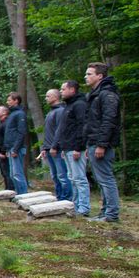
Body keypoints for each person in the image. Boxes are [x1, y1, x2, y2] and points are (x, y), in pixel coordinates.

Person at [84, 63, 122, 222]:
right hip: (94, 142)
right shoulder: (97, 94)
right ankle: (105, 212)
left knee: (106, 179)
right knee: (101, 179)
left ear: (100, 76)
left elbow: (109, 121)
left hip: (101, 144)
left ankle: (111, 214)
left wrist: (101, 144)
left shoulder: (107, 94)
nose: (86, 77)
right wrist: (90, 143)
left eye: (89, 74)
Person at [56, 80, 89, 216]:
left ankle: (84, 208)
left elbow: (82, 126)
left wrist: (78, 147)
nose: (61, 91)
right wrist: (63, 148)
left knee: (79, 178)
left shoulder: (79, 105)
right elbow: (66, 129)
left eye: (63, 89)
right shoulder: (68, 106)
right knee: (72, 178)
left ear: (72, 90)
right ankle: (75, 206)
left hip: (76, 148)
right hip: (67, 147)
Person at [39, 89, 71, 202]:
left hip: (56, 148)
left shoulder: (60, 111)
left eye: (48, 96)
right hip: (49, 148)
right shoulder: (51, 112)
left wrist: (55, 146)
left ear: (55, 97)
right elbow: (48, 132)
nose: (46, 98)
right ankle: (59, 197)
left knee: (62, 175)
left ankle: (67, 199)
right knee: (55, 176)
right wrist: (44, 147)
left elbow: (60, 131)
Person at [5, 92, 29, 195]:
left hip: (17, 149)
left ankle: (23, 194)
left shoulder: (20, 114)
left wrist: (15, 148)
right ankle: (18, 193)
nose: (7, 102)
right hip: (11, 148)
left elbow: (21, 132)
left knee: (17, 173)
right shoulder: (12, 114)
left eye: (9, 100)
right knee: (12, 174)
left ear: (16, 101)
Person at [0, 106, 13, 190]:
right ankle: (7, 188)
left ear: (4, 112)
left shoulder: (6, 123)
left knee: (7, 172)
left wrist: (3, 151)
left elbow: (7, 138)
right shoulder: (0, 123)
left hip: (3, 152)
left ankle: (11, 190)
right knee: (4, 173)